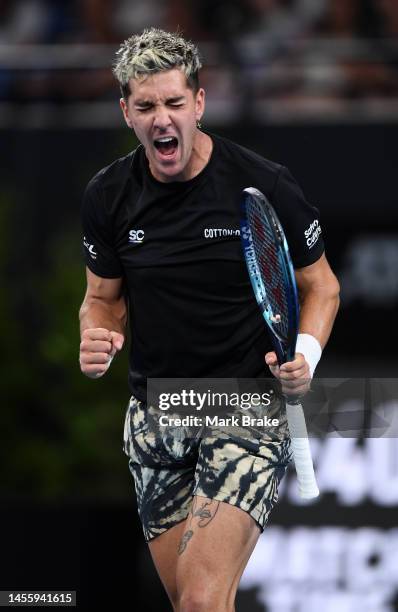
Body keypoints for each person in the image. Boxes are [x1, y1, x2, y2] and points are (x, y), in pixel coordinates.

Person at [79, 27, 340, 612]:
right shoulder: (108, 195)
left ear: (199, 102)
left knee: (200, 600)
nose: (161, 118)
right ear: (127, 112)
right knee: (193, 604)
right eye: (145, 106)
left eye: (174, 102)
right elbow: (101, 297)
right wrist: (93, 334)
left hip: (245, 408)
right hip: (156, 414)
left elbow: (321, 286)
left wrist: (308, 355)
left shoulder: (263, 183)